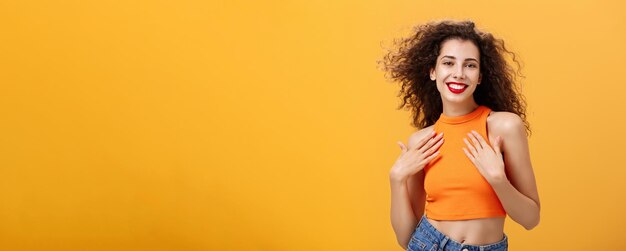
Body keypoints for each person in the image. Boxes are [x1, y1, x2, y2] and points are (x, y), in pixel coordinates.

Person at [380, 20, 541, 251]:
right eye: (448, 63)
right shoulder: (421, 141)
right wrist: (396, 179)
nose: (458, 74)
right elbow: (406, 239)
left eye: (470, 65)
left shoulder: (504, 127)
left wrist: (498, 180)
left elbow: (531, 219)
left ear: (480, 77)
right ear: (433, 71)